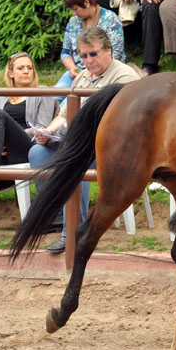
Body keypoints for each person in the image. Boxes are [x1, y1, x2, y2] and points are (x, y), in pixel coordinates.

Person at [30, 28, 142, 254]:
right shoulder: (81, 76)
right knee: (37, 153)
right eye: (83, 56)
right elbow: (63, 113)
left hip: (113, 147)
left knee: (72, 161)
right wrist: (47, 131)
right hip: (79, 141)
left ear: (109, 51)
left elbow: (123, 121)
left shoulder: (124, 77)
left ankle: (73, 229)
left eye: (93, 54)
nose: (88, 60)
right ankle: (61, 218)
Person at [56, 0, 126, 92]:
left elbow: (115, 53)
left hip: (103, 72)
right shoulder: (73, 22)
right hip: (77, 73)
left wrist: (91, 71)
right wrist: (71, 67)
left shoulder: (111, 20)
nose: (73, 13)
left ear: (86, 2)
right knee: (52, 95)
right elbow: (65, 52)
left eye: (75, 9)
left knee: (71, 100)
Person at [0, 52, 56, 168]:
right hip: (5, 149)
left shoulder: (42, 92)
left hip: (29, 144)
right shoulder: (3, 95)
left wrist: (7, 136)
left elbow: (42, 127)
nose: (26, 71)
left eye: (30, 68)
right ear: (10, 73)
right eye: (20, 68)